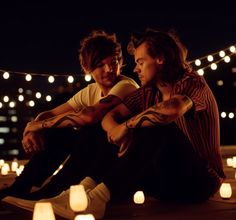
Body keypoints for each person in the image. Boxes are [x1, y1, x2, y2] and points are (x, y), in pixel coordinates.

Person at [2, 28, 225, 220]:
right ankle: (75, 193)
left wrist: (126, 128)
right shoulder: (148, 91)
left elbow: (172, 109)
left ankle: (96, 200)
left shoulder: (192, 82)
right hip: (162, 183)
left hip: (198, 182)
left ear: (160, 58)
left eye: (140, 62)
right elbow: (110, 117)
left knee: (156, 123)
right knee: (102, 127)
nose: (136, 69)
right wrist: (117, 129)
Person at [0, 30, 139, 201]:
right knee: (59, 131)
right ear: (88, 68)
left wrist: (40, 125)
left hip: (119, 167)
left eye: (114, 63)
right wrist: (33, 128)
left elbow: (91, 116)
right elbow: (51, 113)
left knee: (91, 128)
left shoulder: (126, 85)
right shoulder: (91, 91)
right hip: (95, 160)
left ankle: (54, 190)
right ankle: (20, 188)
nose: (109, 69)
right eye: (100, 65)